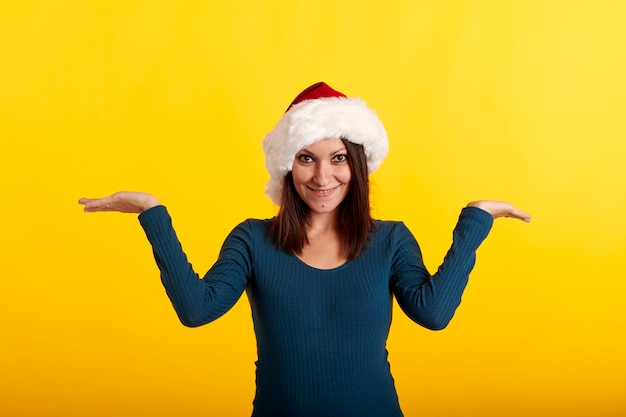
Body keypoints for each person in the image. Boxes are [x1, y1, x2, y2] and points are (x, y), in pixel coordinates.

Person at [79, 82, 531, 417]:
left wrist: (475, 219)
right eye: (306, 157)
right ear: (286, 166)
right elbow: (197, 310)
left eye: (338, 158)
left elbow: (433, 314)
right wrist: (153, 214)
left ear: (357, 165)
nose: (322, 176)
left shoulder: (390, 240)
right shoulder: (253, 239)